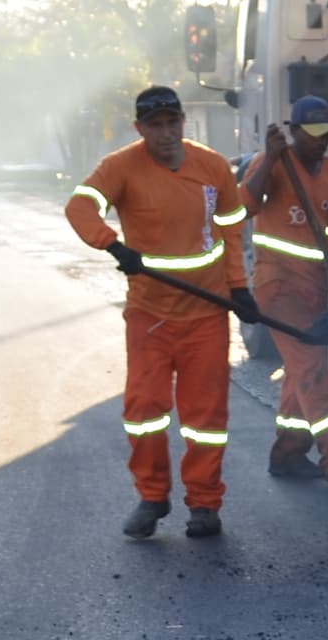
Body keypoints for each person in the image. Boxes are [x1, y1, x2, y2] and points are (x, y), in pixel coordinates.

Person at [64, 83, 250, 539]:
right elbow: (80, 207)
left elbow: (231, 229)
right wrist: (112, 244)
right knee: (143, 409)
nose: (166, 133)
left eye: (172, 123)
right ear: (139, 128)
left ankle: (204, 505)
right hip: (150, 314)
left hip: (207, 311)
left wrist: (240, 288)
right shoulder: (120, 167)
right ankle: (152, 496)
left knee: (206, 419)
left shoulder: (212, 167)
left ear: (183, 122)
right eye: (155, 125)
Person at [244, 98, 328, 481]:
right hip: (277, 286)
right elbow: (246, 204)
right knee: (311, 366)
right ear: (293, 132)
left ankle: (288, 454)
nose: (320, 141)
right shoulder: (274, 164)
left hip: (315, 287)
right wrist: (270, 158)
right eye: (312, 135)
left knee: (301, 371)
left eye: (326, 134)